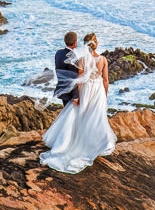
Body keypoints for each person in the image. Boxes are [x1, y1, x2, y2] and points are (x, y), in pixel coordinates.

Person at [40, 32, 117, 174]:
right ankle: (97, 143)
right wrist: (104, 94)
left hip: (87, 89)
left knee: (82, 114)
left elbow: (80, 80)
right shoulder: (103, 60)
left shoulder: (81, 60)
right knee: (97, 117)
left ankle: (76, 141)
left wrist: (79, 95)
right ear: (96, 44)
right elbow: (106, 80)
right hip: (98, 90)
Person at [54, 31, 80, 106]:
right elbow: (73, 77)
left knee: (66, 111)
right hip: (70, 92)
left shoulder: (58, 53)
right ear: (75, 43)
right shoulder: (72, 57)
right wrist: (75, 96)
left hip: (61, 88)